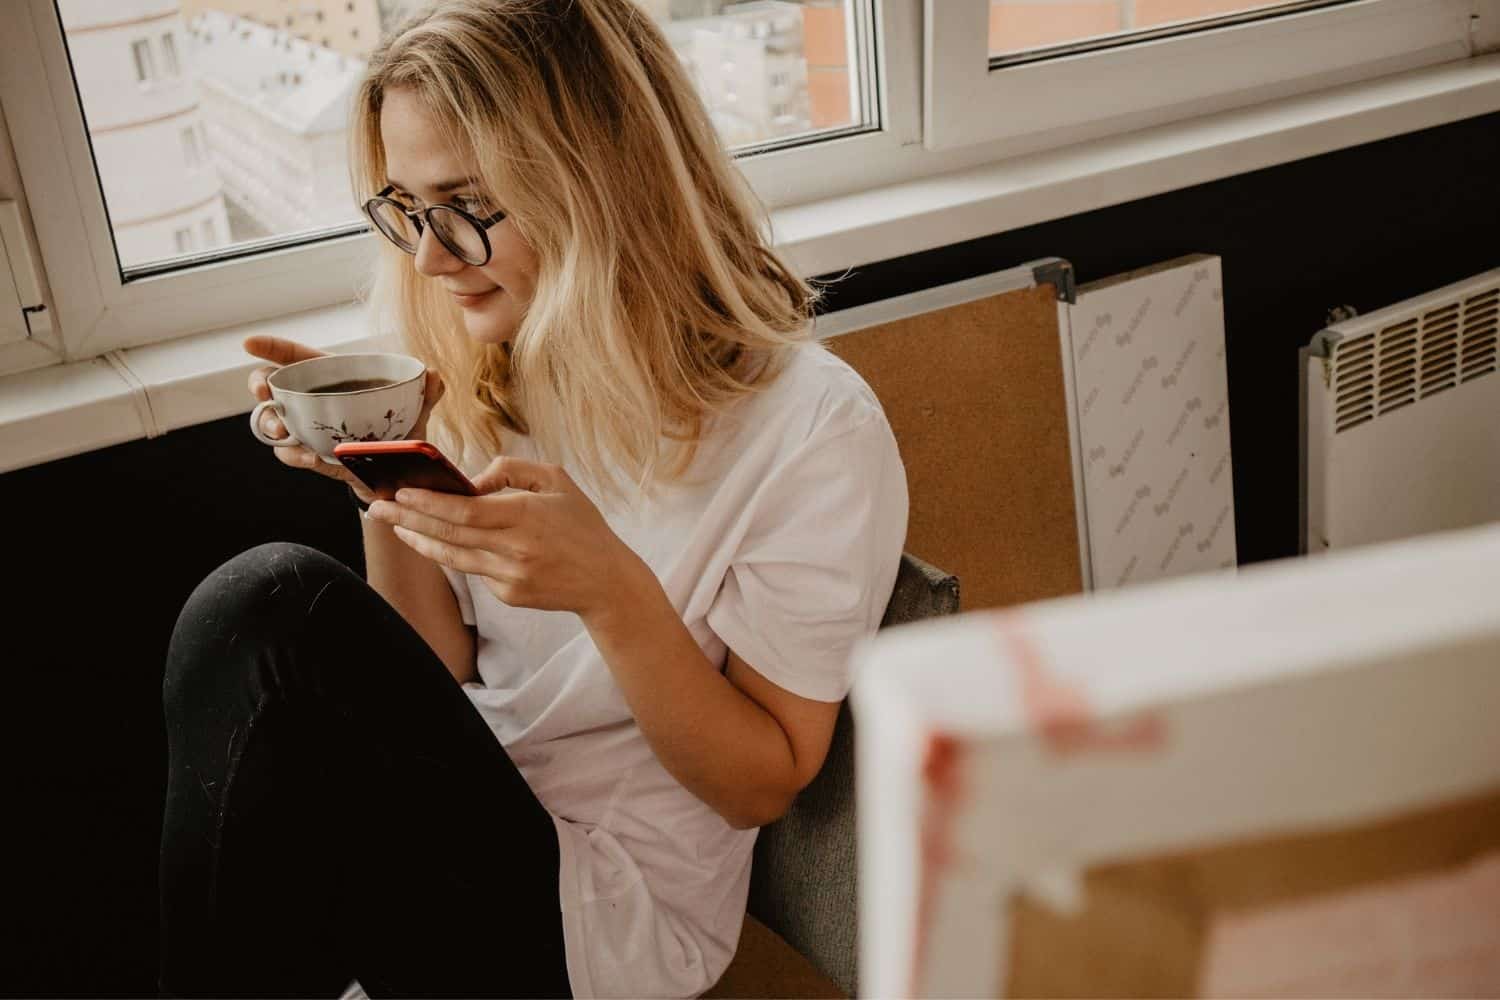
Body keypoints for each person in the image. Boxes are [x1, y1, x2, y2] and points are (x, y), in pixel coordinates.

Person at [158, 1, 908, 996]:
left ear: (600, 184)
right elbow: (440, 666)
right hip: (471, 802)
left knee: (263, 603)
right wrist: (377, 461)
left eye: (465, 204)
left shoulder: (811, 427)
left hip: (607, 908)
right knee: (262, 670)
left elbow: (760, 782)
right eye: (407, 210)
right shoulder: (486, 360)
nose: (429, 255)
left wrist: (612, 592)